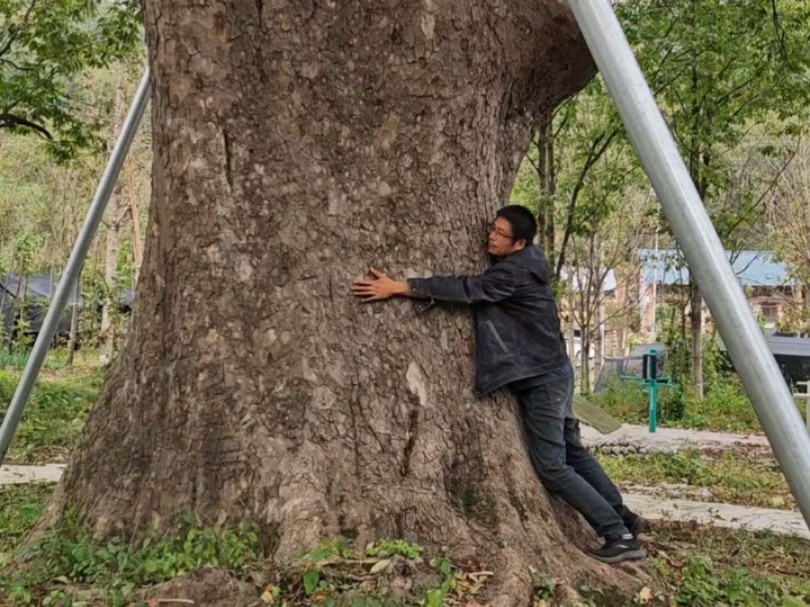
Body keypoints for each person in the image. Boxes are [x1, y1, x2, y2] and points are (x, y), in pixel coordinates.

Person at [351, 204, 648, 563]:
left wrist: (402, 286)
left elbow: (469, 289)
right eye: (492, 228)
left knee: (553, 465)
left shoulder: (513, 274)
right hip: (553, 371)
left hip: (542, 381)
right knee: (573, 453)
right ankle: (626, 518)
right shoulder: (528, 261)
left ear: (519, 243)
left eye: (500, 233)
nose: (491, 235)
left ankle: (617, 534)